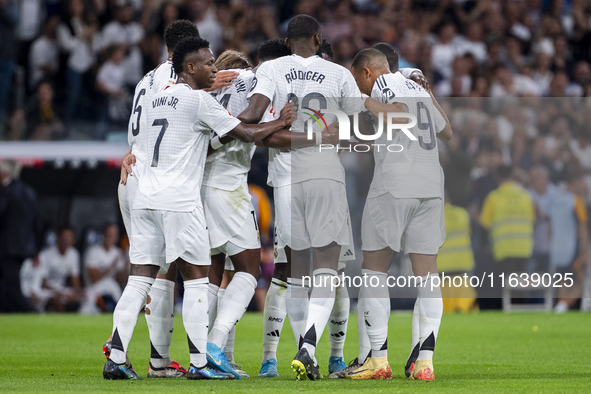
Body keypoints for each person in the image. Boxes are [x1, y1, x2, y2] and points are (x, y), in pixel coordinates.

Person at [102, 36, 294, 380]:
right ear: (188, 67)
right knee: (195, 279)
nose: (214, 70)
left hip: (143, 196)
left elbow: (138, 149)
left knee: (140, 278)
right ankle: (202, 361)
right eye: (208, 64)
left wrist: (128, 157)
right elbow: (246, 134)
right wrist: (281, 121)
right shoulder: (197, 101)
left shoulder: (155, 98)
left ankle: (116, 356)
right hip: (180, 201)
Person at [238, 14, 386, 381]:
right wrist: (333, 136)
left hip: (284, 181)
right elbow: (362, 131)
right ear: (319, 38)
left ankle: (296, 350)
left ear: (287, 43)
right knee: (328, 268)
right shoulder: (338, 74)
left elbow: (257, 127)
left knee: (295, 273)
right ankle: (309, 346)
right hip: (324, 176)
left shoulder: (271, 70)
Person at [346, 48, 451, 381]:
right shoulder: (419, 87)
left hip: (394, 185)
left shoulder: (384, 83)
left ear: (367, 72)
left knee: (374, 270)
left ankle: (377, 359)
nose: (359, 88)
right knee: (428, 275)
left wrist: (363, 102)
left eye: (357, 81)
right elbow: (446, 130)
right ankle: (425, 363)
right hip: (431, 185)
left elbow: (400, 117)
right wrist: (426, 94)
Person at [480, 165, 535, 276]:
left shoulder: (494, 197)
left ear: (497, 177)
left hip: (503, 249)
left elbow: (484, 223)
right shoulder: (526, 195)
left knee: (506, 288)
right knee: (519, 286)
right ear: (512, 176)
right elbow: (532, 220)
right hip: (523, 248)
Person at [0, 159, 37, 312]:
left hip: (6, 248)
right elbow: (37, 222)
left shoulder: (5, 191)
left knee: (11, 285)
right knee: (7, 283)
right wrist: (36, 248)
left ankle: (32, 312)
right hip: (24, 248)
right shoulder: (28, 191)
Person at [80, 224, 127, 314]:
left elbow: (120, 281)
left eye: (113, 235)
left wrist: (125, 268)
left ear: (117, 237)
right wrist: (111, 266)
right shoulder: (93, 251)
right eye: (109, 234)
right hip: (94, 287)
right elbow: (93, 278)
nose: (110, 237)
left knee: (120, 301)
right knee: (87, 309)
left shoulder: (118, 252)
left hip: (112, 286)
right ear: (103, 235)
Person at [38, 226, 83, 312]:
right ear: (58, 238)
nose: (66, 241)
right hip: (44, 291)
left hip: (61, 290)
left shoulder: (74, 254)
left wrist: (78, 293)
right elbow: (42, 283)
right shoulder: (45, 255)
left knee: (84, 298)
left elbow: (75, 281)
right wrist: (59, 294)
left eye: (69, 238)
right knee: (57, 302)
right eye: (64, 238)